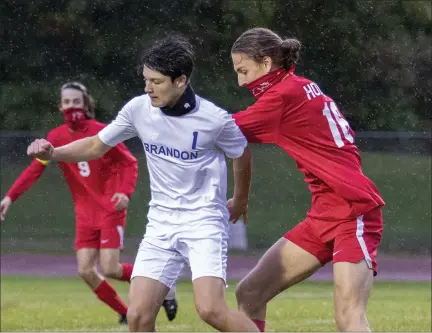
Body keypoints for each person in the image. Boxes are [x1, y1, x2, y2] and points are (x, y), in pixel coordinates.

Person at [25, 36, 260, 332]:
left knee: (211, 309)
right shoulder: (138, 109)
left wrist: (240, 200)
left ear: (181, 81)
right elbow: (97, 145)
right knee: (138, 317)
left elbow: (241, 153)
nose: (148, 88)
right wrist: (54, 153)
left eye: (156, 81)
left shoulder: (214, 120)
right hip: (160, 224)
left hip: (204, 223)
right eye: (146, 80)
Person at [230, 28, 385, 332]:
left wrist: (169, 114)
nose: (241, 81)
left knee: (349, 316)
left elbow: (221, 131)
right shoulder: (299, 86)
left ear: (265, 62)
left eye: (243, 71)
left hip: (353, 208)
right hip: (324, 214)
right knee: (249, 294)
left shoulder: (282, 96)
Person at [0, 81, 178, 324]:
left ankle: (163, 283)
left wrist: (124, 192)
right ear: (60, 106)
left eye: (76, 101)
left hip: (110, 208)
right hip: (84, 214)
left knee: (111, 268)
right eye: (67, 102)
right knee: (85, 270)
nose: (71, 106)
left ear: (85, 104)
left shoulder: (102, 133)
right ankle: (124, 312)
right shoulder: (56, 137)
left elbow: (129, 162)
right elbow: (34, 170)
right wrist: (10, 197)